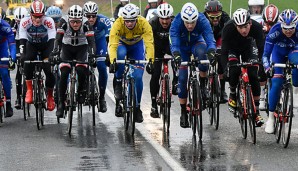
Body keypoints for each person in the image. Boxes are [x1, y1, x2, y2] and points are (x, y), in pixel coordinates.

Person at [169, 2, 216, 128]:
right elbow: (174, 43)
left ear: (196, 19)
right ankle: (183, 111)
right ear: (183, 20)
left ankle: (203, 85)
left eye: (192, 23)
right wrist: (177, 55)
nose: (190, 26)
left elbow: (210, 39)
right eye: (187, 23)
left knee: (203, 54)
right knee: (183, 78)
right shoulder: (177, 22)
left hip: (196, 43)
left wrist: (212, 51)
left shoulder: (202, 20)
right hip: (182, 48)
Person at [109, 3, 154, 123]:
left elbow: (149, 43)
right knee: (120, 55)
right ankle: (118, 82)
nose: (129, 23)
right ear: (123, 19)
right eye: (127, 21)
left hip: (137, 46)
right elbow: (112, 44)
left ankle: (137, 108)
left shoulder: (144, 23)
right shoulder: (117, 24)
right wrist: (113, 61)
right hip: (122, 45)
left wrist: (151, 60)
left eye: (132, 21)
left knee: (138, 77)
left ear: (137, 19)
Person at [222, 8, 264, 126]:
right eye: (240, 27)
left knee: (253, 75)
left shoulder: (256, 27)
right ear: (235, 25)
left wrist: (261, 66)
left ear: (250, 22)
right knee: (234, 70)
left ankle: (256, 111)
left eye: (245, 26)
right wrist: (226, 68)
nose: (243, 30)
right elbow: (224, 51)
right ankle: (233, 94)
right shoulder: (228, 28)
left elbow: (261, 49)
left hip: (249, 48)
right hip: (233, 48)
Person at [52, 5, 96, 118]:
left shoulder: (86, 24)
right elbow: (58, 40)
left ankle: (81, 90)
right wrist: (55, 52)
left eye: (77, 22)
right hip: (66, 48)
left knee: (81, 69)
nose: (75, 24)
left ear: (81, 19)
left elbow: (91, 42)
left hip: (81, 48)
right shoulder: (63, 22)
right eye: (72, 22)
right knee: (64, 72)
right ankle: (61, 104)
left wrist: (92, 55)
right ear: (69, 20)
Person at [262, 9, 298, 133]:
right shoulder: (275, 31)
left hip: (294, 51)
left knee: (297, 63)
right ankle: (271, 118)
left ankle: (295, 89)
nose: (288, 31)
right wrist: (267, 68)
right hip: (278, 53)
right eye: (285, 28)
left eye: (291, 28)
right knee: (276, 83)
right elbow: (266, 54)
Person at [19, 0, 56, 111]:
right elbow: (22, 40)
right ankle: (30, 90)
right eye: (35, 16)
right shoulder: (24, 22)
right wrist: (22, 54)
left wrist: (51, 56)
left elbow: (52, 40)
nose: (38, 19)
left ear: (44, 14)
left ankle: (50, 96)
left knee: (49, 69)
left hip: (46, 45)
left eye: (40, 16)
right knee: (27, 60)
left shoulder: (49, 21)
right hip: (31, 45)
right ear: (31, 15)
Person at [147, 3, 177, 118]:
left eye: (167, 19)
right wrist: (149, 59)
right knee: (155, 74)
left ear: (171, 17)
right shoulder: (152, 23)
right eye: (162, 19)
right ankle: (154, 103)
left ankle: (175, 81)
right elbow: (148, 42)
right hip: (156, 48)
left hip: (170, 47)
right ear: (158, 17)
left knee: (177, 61)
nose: (165, 22)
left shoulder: (174, 23)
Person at [83, 1, 111, 113]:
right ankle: (83, 89)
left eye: (93, 16)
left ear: (97, 15)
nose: (90, 19)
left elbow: (110, 37)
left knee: (102, 67)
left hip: (100, 43)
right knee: (82, 66)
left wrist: (108, 53)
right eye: (88, 16)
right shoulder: (81, 22)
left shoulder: (103, 20)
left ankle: (102, 98)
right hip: (85, 43)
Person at [204, 0, 230, 103]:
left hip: (220, 37)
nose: (215, 19)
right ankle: (204, 87)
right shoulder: (202, 18)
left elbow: (229, 30)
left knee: (221, 58)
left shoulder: (225, 17)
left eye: (217, 16)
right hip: (207, 38)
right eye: (212, 17)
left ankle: (222, 90)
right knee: (204, 60)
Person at [10, 7, 28, 109]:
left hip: (27, 41)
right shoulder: (13, 23)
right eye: (18, 21)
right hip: (17, 42)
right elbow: (10, 40)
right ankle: (18, 97)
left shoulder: (29, 22)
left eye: (22, 21)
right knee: (19, 70)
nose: (20, 23)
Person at [0, 10, 17, 117]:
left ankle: (8, 103)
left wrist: (13, 58)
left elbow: (12, 43)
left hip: (2, 47)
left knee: (4, 73)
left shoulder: (5, 26)